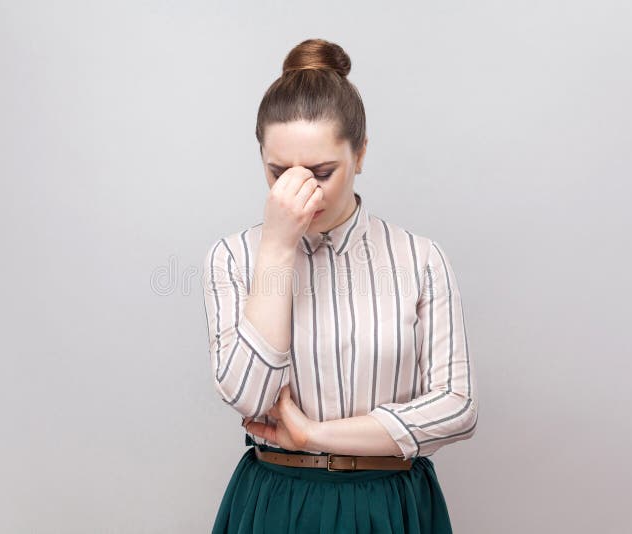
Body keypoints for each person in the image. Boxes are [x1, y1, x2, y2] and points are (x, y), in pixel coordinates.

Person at [201, 37, 478, 534]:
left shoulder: (420, 258)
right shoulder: (232, 257)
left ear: (361, 153)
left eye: (322, 172)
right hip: (278, 502)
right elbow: (249, 398)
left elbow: (457, 408)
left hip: (389, 503)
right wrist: (278, 248)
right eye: (278, 172)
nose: (299, 190)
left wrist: (315, 435)